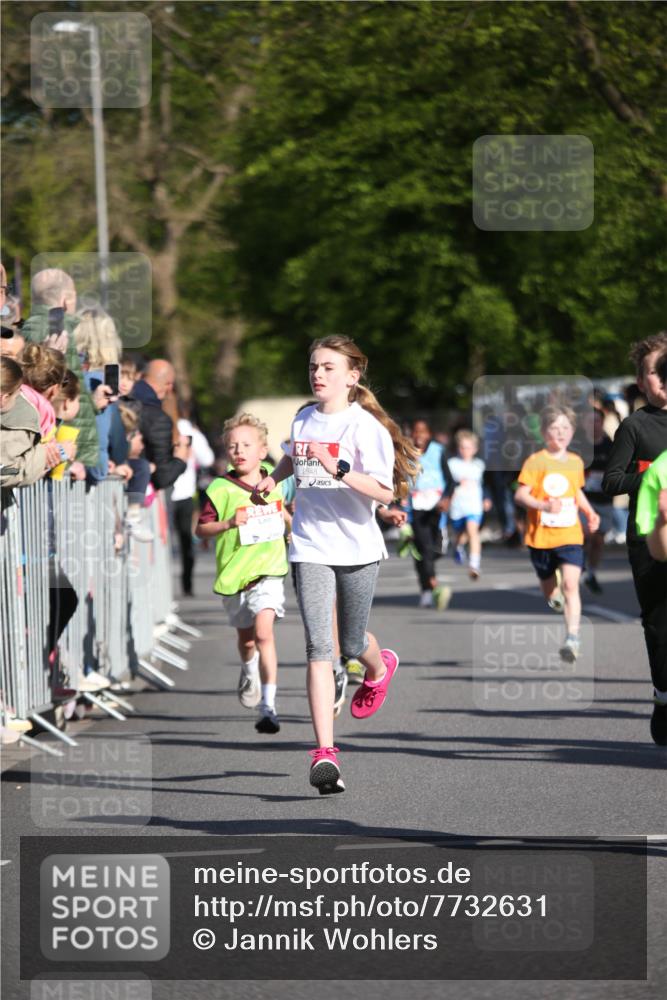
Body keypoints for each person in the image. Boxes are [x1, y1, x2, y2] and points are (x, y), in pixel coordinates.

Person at [255, 335, 420, 795]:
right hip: (309, 544)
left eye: (328, 367)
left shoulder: (365, 427)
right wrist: (271, 478)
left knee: (350, 641)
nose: (318, 374)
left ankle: (378, 667)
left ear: (352, 376)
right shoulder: (304, 418)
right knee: (318, 649)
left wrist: (340, 469)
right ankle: (324, 753)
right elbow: (294, 454)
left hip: (358, 547)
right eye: (313, 366)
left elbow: (387, 492)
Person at [196, 413, 289, 734]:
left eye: (247, 445)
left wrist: (291, 527)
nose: (239, 451)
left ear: (262, 450)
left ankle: (269, 706)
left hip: (269, 572)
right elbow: (201, 528)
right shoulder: (220, 488)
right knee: (247, 641)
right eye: (233, 446)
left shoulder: (274, 482)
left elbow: (287, 513)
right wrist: (228, 524)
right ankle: (248, 669)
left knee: (265, 634)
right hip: (235, 577)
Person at [603, 334, 667, 745]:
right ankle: (663, 695)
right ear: (641, 381)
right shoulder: (635, 425)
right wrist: (655, 475)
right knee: (660, 626)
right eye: (653, 373)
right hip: (649, 537)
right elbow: (612, 481)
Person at [515, 405, 599, 663]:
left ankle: (572, 638)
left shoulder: (575, 462)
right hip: (541, 537)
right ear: (543, 432)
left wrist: (589, 512)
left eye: (565, 428)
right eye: (554, 428)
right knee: (551, 593)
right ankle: (554, 598)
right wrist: (543, 505)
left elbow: (576, 492)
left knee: (571, 584)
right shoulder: (536, 461)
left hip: (570, 534)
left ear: (573, 431)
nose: (560, 433)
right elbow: (520, 495)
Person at [21, 268, 100, 467]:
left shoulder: (37, 326)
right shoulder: (52, 329)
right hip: (64, 449)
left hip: (62, 446)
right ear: (66, 299)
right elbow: (61, 394)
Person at [401, 417, 452, 607]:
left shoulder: (439, 452)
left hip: (437, 509)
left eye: (423, 431)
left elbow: (451, 481)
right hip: (416, 510)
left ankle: (428, 584)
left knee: (436, 551)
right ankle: (430, 587)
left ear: (429, 434)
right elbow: (399, 479)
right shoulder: (406, 453)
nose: (419, 435)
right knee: (423, 549)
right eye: (415, 431)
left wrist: (446, 499)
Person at [0, 355, 63, 489]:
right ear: (4, 398)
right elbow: (4, 472)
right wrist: (43, 456)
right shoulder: (15, 425)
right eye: (18, 395)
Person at [171, 414, 215, 597]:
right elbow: (208, 459)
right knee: (185, 542)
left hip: (165, 493)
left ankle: (167, 589)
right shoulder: (190, 431)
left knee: (165, 542)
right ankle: (186, 585)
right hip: (184, 494)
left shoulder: (158, 422)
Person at [130, 360, 189, 489]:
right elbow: (163, 477)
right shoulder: (158, 418)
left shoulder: (122, 400)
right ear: (169, 386)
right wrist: (180, 458)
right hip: (136, 494)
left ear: (141, 376)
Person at [578, 408, 614, 594]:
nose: (593, 425)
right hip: (583, 498)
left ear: (602, 422)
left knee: (598, 541)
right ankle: (578, 565)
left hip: (604, 499)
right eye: (589, 421)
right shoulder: (579, 446)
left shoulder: (610, 445)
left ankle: (591, 573)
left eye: (597, 421)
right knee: (585, 534)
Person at [447, 429, 491, 580]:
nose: (465, 450)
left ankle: (474, 565)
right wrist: (458, 483)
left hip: (474, 505)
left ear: (475, 449)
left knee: (473, 531)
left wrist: (486, 498)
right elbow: (448, 483)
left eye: (469, 447)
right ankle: (457, 547)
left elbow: (484, 484)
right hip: (457, 506)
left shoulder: (479, 464)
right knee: (461, 535)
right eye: (462, 447)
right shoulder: (452, 464)